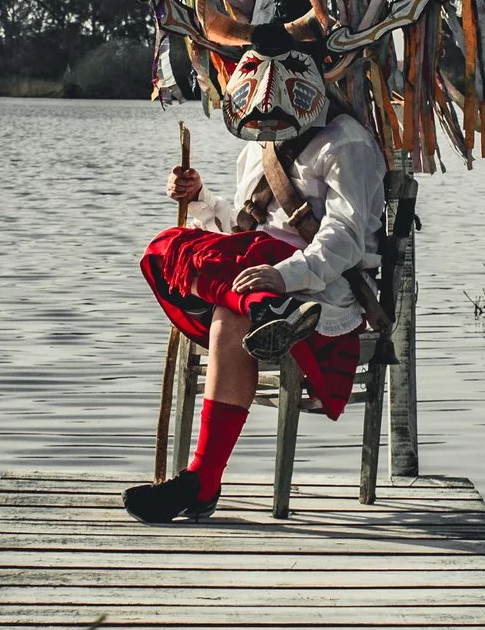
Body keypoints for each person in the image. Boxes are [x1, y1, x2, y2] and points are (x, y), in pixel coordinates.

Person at [127, 41, 387, 523]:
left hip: (321, 293)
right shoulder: (258, 145)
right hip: (259, 282)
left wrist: (283, 275)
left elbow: (345, 240)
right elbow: (244, 230)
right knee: (171, 245)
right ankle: (266, 311)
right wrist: (201, 198)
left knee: (236, 300)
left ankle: (202, 480)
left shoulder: (347, 144)